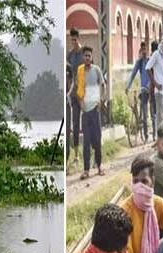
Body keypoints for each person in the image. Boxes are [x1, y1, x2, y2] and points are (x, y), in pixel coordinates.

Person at [76, 46, 105, 179]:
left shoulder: (97, 70)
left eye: (89, 56)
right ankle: (86, 169)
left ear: (92, 57)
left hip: (95, 109)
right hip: (85, 110)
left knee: (97, 140)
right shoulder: (80, 71)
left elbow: (103, 85)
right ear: (83, 58)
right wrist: (81, 104)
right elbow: (79, 89)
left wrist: (101, 100)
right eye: (85, 56)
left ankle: (99, 166)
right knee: (86, 142)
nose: (87, 58)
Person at [126, 42, 152, 142]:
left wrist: (149, 85)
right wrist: (128, 86)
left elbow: (153, 76)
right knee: (142, 110)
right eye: (142, 50)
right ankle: (142, 130)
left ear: (147, 50)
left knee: (150, 112)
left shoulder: (150, 61)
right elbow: (133, 74)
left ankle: (148, 133)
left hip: (150, 89)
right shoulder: (139, 62)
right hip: (143, 90)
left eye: (145, 49)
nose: (144, 52)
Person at [147, 36, 163, 135]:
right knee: (160, 115)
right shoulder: (157, 54)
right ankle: (159, 138)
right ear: (161, 43)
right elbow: (148, 68)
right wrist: (155, 83)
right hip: (159, 90)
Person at [68, 29, 85, 163]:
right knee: (75, 121)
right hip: (74, 92)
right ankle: (76, 155)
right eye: (71, 40)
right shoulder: (70, 55)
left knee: (86, 122)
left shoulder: (84, 53)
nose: (73, 42)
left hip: (84, 92)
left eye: (75, 39)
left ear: (78, 38)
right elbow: (69, 73)